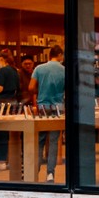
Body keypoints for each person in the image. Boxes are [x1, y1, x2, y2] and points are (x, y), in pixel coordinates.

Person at [32, 47, 65, 182]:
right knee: (53, 141)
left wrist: (39, 93)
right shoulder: (64, 70)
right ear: (59, 55)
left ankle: (35, 170)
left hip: (42, 106)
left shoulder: (39, 68)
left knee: (39, 140)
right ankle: (50, 173)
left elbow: (30, 87)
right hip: (58, 107)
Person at [0, 53, 22, 170]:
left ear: (2, 59)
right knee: (11, 133)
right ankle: (11, 159)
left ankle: (1, 161)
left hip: (0, 104)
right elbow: (18, 88)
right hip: (13, 103)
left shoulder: (3, 71)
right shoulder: (15, 71)